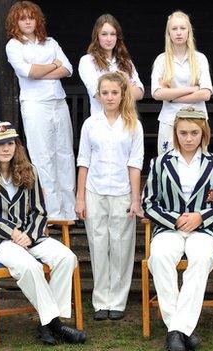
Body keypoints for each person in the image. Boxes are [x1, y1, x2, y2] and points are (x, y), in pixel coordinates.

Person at [0, 121, 86, 346]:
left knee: (67, 258)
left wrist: (28, 234)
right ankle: (54, 324)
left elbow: (39, 211)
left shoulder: (29, 170)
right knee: (30, 266)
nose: (5, 148)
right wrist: (10, 231)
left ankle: (46, 324)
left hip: (30, 236)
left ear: (16, 145)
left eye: (9, 143)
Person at [142, 107, 213, 351]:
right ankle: (183, 331)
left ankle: (176, 331)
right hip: (168, 229)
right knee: (160, 257)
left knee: (202, 257)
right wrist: (174, 220)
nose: (188, 138)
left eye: (194, 133)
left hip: (204, 231)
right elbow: (148, 203)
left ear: (203, 133)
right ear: (175, 133)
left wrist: (201, 217)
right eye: (183, 133)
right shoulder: (159, 163)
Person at [76, 72, 144, 321]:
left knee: (121, 246)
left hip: (122, 192)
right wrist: (80, 197)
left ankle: (117, 300)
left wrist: (135, 200)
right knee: (98, 244)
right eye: (105, 93)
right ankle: (100, 300)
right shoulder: (90, 124)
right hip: (95, 190)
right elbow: (83, 160)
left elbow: (135, 164)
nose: (110, 97)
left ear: (123, 94)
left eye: (114, 92)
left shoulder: (133, 124)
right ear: (99, 95)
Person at [5, 0, 76, 221]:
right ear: (16, 21)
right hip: (35, 105)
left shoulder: (51, 42)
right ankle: (54, 213)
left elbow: (68, 69)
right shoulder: (14, 45)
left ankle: (71, 210)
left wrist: (42, 70)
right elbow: (28, 71)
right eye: (22, 18)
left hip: (58, 101)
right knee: (42, 157)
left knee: (64, 154)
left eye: (31, 17)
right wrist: (53, 65)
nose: (27, 21)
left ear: (37, 20)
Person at [151, 10, 213, 154]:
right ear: (169, 33)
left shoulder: (200, 59)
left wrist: (171, 97)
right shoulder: (161, 60)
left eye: (182, 28)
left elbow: (205, 94)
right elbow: (157, 93)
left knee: (197, 165)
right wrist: (191, 89)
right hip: (169, 120)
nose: (178, 33)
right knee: (168, 165)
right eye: (174, 29)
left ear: (188, 32)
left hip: (196, 120)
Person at [78, 13, 144, 116]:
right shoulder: (87, 61)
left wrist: (110, 91)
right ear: (97, 36)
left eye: (113, 34)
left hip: (127, 121)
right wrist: (126, 86)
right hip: (101, 122)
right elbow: (98, 95)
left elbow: (139, 93)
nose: (109, 39)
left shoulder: (126, 61)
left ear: (117, 37)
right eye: (104, 34)